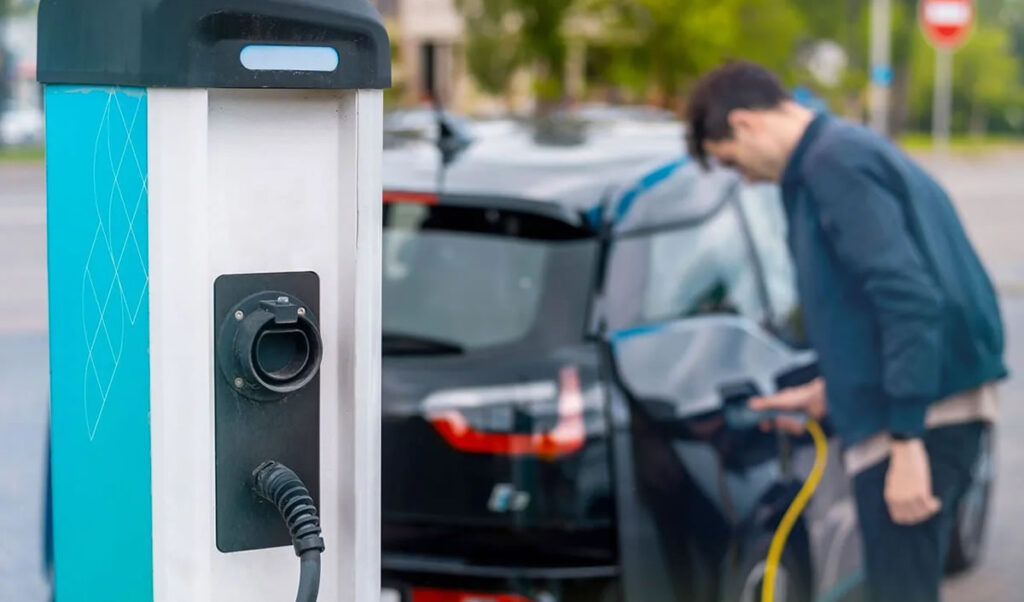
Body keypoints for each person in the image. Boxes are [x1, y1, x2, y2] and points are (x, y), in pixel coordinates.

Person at [685, 61, 1007, 601]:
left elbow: (908, 296)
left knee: (899, 591)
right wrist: (832, 387)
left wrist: (906, 440)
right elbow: (870, 302)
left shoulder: (833, 165)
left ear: (744, 124)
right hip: (922, 405)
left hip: (920, 419)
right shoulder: (842, 151)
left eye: (732, 162)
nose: (745, 178)